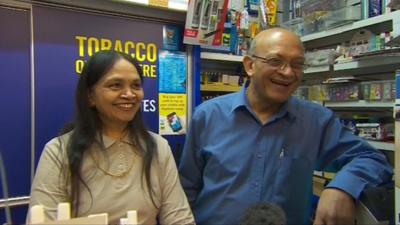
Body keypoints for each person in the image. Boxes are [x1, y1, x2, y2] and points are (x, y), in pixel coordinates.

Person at [178, 28, 393, 225]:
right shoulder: (207, 116)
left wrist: (342, 187)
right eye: (275, 60)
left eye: (297, 64)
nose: (288, 72)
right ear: (250, 65)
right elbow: (187, 189)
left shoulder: (316, 121)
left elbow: (373, 159)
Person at [28, 50, 195, 225]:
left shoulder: (158, 147)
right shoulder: (59, 151)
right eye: (115, 85)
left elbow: (179, 218)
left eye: (136, 86)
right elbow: (42, 219)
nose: (129, 94)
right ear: (90, 96)